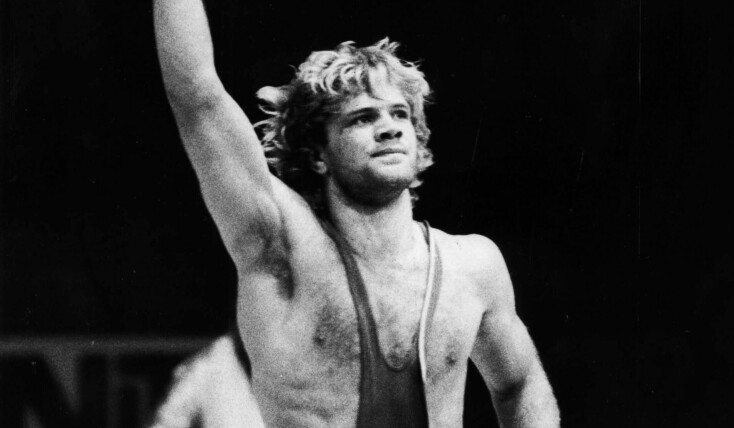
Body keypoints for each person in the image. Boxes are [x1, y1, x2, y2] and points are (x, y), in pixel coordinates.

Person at [153, 0, 560, 426]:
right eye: (363, 118)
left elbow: (519, 384)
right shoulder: (284, 247)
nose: (390, 127)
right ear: (318, 155)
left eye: (400, 113)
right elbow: (197, 96)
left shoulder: (474, 266)